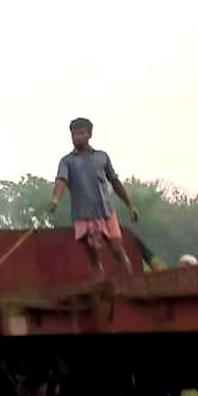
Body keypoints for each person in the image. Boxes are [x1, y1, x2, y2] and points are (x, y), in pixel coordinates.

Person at [48, 117, 139, 278]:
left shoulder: (101, 156)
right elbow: (61, 180)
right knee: (93, 258)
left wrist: (130, 205)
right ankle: (100, 292)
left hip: (106, 211)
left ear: (89, 135)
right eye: (74, 134)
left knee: (117, 249)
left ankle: (131, 282)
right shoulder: (67, 161)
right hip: (82, 214)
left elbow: (115, 181)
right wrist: (55, 199)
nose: (77, 137)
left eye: (81, 133)